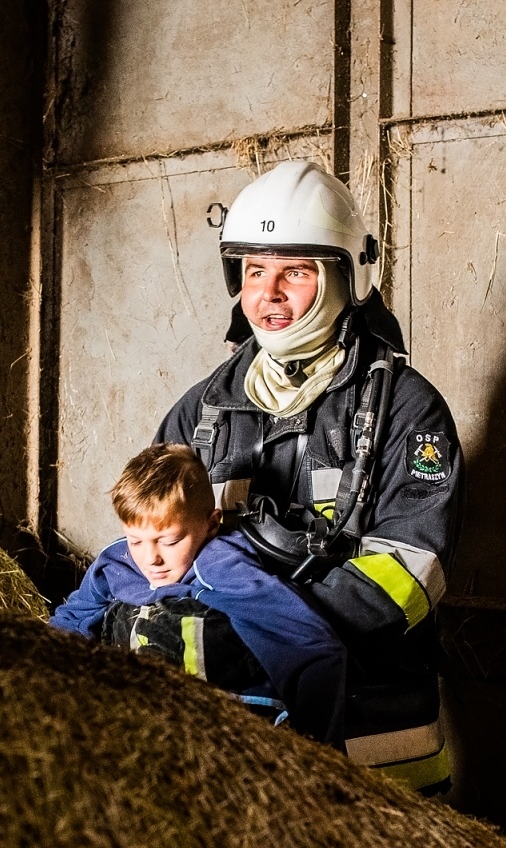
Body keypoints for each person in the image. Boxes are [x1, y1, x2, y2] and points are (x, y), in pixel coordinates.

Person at [156, 160, 462, 795]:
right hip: (230, 744)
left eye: (295, 272)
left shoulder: (408, 410)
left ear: (345, 277)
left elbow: (412, 567)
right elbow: (152, 540)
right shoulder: (198, 413)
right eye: (254, 271)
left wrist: (270, 631)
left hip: (373, 747)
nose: (268, 294)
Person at [51, 443, 344, 723]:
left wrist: (316, 749)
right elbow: (72, 620)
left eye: (170, 541)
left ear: (212, 523)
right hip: (144, 710)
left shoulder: (222, 567)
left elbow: (311, 645)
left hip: (238, 719)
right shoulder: (115, 562)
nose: (151, 558)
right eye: (136, 540)